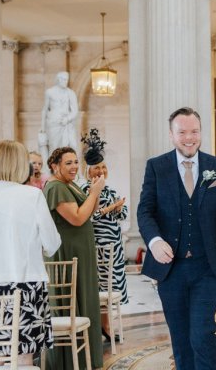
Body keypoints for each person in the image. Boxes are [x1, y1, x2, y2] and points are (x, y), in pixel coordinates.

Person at [137, 107, 216, 370]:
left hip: (205, 267)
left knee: (202, 334)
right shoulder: (156, 167)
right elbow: (144, 211)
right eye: (182, 133)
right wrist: (154, 241)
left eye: (194, 132)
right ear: (171, 135)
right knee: (181, 339)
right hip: (170, 269)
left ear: (201, 132)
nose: (189, 138)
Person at [0, 140, 61, 366]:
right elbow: (52, 243)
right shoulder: (31, 196)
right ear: (21, 164)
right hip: (24, 284)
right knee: (22, 359)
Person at [43, 146, 105, 369]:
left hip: (82, 253)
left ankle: (87, 357)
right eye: (68, 163)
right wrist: (95, 192)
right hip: (68, 254)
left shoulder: (70, 185)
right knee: (72, 301)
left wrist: (93, 192)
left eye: (75, 162)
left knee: (86, 298)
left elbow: (90, 211)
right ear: (55, 165)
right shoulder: (56, 187)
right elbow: (77, 219)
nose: (74, 167)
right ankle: (68, 361)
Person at [81, 128, 129, 341]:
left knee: (113, 287)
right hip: (98, 248)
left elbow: (124, 213)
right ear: (88, 171)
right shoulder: (85, 191)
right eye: (96, 168)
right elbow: (90, 217)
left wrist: (119, 208)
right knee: (101, 287)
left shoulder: (109, 190)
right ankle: (104, 326)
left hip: (115, 247)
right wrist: (111, 209)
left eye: (103, 167)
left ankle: (106, 324)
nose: (101, 171)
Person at [40, 71, 79, 160]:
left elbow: (75, 111)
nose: (66, 82)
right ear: (58, 80)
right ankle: (53, 169)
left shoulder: (71, 93)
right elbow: (45, 110)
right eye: (64, 79)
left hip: (66, 124)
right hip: (53, 123)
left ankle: (68, 168)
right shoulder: (49, 92)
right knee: (54, 146)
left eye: (67, 80)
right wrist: (42, 127)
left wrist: (67, 119)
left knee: (71, 146)